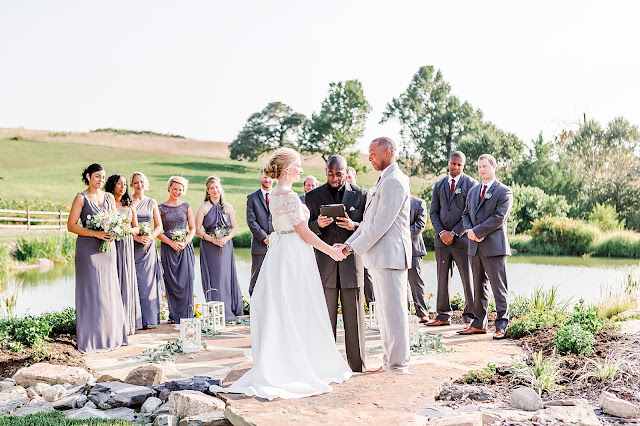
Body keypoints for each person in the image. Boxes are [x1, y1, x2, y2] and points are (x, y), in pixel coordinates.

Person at [211, 148, 351, 400]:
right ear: (287, 170)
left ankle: (291, 356)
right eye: (298, 165)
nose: (301, 169)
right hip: (294, 254)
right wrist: (331, 251)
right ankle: (296, 363)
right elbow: (305, 233)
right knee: (298, 305)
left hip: (283, 252)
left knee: (288, 306)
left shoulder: (276, 193)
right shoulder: (287, 196)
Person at [344, 137, 412, 373]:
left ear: (389, 152)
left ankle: (398, 365)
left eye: (374, 153)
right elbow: (366, 223)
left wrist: (353, 248)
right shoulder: (383, 180)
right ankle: (389, 361)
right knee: (384, 314)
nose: (370, 157)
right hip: (381, 256)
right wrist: (348, 243)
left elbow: (381, 225)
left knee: (394, 315)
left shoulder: (394, 181)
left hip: (391, 257)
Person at [305, 155, 368, 372]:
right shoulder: (312, 196)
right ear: (326, 171)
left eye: (338, 174)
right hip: (325, 264)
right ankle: (324, 366)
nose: (334, 178)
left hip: (352, 264)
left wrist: (353, 225)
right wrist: (317, 224)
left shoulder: (361, 195)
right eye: (330, 173)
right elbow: (304, 229)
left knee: (355, 321)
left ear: (346, 172)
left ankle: (357, 366)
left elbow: (369, 228)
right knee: (325, 320)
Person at [67, 163, 127, 353]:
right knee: (91, 291)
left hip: (108, 249)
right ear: (88, 176)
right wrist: (95, 233)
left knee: (108, 291)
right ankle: (91, 338)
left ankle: (111, 335)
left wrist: (114, 231)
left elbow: (115, 221)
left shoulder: (109, 197)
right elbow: (71, 226)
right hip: (87, 250)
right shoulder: (81, 198)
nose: (100, 180)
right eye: (97, 176)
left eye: (103, 176)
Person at [459, 154, 513, 340]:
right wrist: (470, 231)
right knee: (478, 287)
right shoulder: (473, 191)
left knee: (499, 288)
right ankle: (479, 324)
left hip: (494, 247)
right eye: (479, 166)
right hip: (474, 246)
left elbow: (499, 217)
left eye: (485, 166)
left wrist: (478, 232)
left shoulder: (504, 191)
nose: (481, 170)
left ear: (494, 166)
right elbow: (465, 214)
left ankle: (501, 325)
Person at [427, 152, 478, 328]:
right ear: (449, 163)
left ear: (464, 166)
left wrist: (455, 233)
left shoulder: (471, 184)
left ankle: (470, 316)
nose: (456, 167)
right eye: (453, 164)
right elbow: (433, 212)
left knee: (468, 278)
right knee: (442, 278)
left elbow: (471, 213)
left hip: (462, 240)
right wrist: (442, 232)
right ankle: (442, 315)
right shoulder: (439, 184)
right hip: (441, 241)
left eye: (459, 165)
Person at [195, 176, 243, 321]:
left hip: (226, 245)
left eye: (217, 187)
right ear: (208, 191)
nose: (215, 190)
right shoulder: (203, 207)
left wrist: (226, 239)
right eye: (211, 188)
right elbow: (197, 230)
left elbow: (234, 227)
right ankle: (214, 312)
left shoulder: (228, 207)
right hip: (210, 246)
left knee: (226, 276)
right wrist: (212, 240)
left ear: (220, 188)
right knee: (215, 277)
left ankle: (229, 309)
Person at [105, 174, 142, 335]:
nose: (122, 187)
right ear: (112, 185)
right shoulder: (105, 203)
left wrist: (126, 230)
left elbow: (136, 228)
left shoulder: (129, 205)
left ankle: (127, 322)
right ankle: (111, 322)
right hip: (111, 243)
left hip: (126, 245)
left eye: (125, 184)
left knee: (125, 279)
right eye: (119, 183)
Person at [157, 176, 196, 324]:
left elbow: (192, 228)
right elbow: (158, 231)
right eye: (174, 189)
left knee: (186, 280)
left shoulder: (186, 206)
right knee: (171, 281)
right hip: (168, 248)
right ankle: (173, 316)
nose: (177, 192)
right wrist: (171, 243)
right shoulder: (160, 208)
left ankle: (187, 315)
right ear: (169, 188)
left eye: (180, 190)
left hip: (185, 249)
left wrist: (185, 242)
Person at [130, 172, 164, 329]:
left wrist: (150, 237)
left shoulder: (152, 202)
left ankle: (149, 319)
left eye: (142, 182)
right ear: (131, 185)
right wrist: (135, 238)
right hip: (131, 246)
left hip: (148, 248)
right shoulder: (127, 201)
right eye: (136, 182)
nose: (139, 185)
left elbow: (159, 226)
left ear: (146, 184)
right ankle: (134, 320)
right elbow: (125, 226)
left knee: (148, 283)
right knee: (134, 281)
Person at [345, 166, 374, 306]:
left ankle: (372, 308)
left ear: (355, 177)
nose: (347, 180)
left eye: (349, 177)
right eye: (345, 178)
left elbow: (369, 223)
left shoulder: (365, 195)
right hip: (344, 245)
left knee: (367, 278)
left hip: (363, 244)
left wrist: (353, 225)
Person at [246, 170, 274, 296]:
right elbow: (251, 221)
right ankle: (254, 308)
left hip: (277, 244)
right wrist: (264, 237)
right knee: (256, 277)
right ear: (260, 178)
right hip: (259, 245)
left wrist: (273, 237)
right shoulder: (252, 198)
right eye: (264, 177)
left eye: (269, 178)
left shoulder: (279, 196)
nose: (267, 180)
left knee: (275, 276)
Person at [408, 195, 428, 322]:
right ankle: (404, 312)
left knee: (416, 282)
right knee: (400, 283)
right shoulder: (392, 201)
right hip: (396, 249)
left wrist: (402, 235)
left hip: (414, 248)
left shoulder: (419, 203)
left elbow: (420, 224)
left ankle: (422, 313)